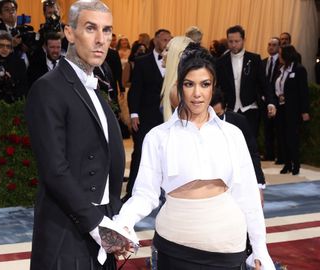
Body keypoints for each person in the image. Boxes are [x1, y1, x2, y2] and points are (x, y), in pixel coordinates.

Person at [116, 45, 275, 270]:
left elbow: (247, 195)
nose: (197, 94)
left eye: (205, 84)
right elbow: (144, 193)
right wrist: (124, 221)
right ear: (179, 86)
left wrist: (260, 249)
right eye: (189, 84)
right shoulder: (158, 137)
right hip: (174, 244)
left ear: (214, 87)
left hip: (227, 247)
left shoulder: (232, 134)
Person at [25, 1, 129, 269]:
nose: (100, 40)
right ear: (69, 33)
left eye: (107, 31)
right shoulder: (48, 88)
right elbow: (55, 169)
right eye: (90, 28)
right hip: (67, 231)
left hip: (100, 224)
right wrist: (97, 224)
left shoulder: (97, 90)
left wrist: (113, 218)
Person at [124, 29, 171, 201]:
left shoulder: (176, 62)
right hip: (146, 115)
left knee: (166, 155)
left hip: (168, 117)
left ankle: (164, 192)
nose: (167, 42)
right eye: (164, 39)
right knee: (140, 153)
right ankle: (132, 192)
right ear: (156, 41)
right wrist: (134, 114)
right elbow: (135, 90)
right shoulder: (142, 61)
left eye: (169, 39)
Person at [216, 25, 276, 138]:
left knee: (250, 143)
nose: (233, 45)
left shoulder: (254, 59)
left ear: (243, 40)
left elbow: (264, 84)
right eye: (230, 41)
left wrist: (271, 102)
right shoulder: (220, 62)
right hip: (229, 109)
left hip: (250, 109)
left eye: (237, 41)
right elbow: (217, 87)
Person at [274, 45, 310, 175]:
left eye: (280, 54)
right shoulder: (281, 69)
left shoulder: (299, 69)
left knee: (292, 138)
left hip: (293, 109)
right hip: (281, 107)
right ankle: (287, 164)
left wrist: (305, 110)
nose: (279, 57)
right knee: (282, 136)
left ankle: (296, 164)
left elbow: (304, 91)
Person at [160, 35, 193, 121]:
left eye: (167, 50)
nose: (162, 53)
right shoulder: (177, 84)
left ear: (176, 53)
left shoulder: (179, 88)